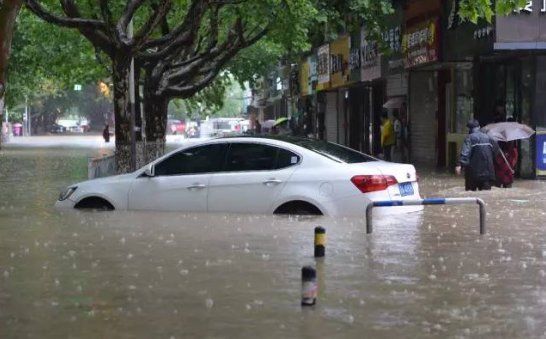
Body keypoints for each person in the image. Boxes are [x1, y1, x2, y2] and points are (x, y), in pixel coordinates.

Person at [456, 119, 497, 191]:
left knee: (470, 197)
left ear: (469, 129)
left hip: (473, 174)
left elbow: (466, 153)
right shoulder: (489, 138)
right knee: (485, 197)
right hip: (488, 174)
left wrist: (459, 165)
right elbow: (496, 152)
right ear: (479, 127)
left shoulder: (469, 138)